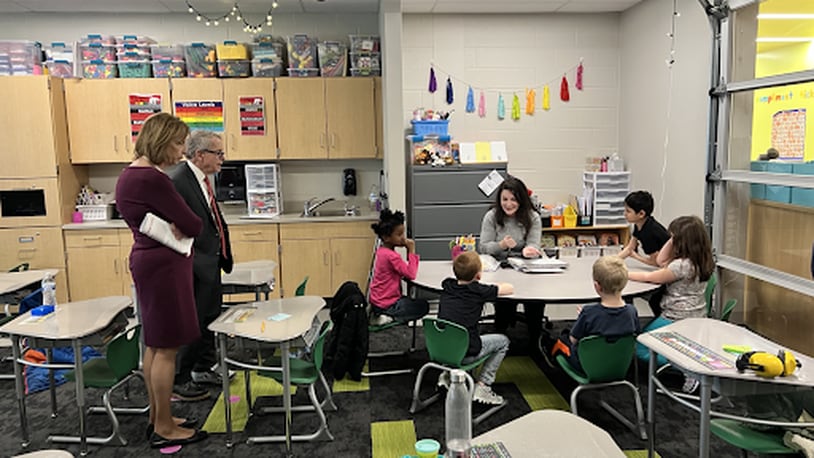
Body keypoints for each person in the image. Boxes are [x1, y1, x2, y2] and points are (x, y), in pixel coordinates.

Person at [115, 112, 208, 448]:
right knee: (167, 348)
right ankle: (165, 427)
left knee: (155, 345)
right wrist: (185, 222)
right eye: (179, 142)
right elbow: (194, 224)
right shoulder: (153, 180)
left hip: (150, 262)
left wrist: (181, 222)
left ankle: (159, 416)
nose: (182, 151)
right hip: (164, 266)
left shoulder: (129, 175)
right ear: (162, 140)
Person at [169, 130, 233, 400]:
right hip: (194, 264)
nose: (223, 158)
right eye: (218, 153)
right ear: (199, 155)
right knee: (193, 322)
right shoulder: (180, 181)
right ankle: (180, 379)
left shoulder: (202, 180)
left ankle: (202, 367)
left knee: (209, 318)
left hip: (210, 260)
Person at [628, 215, 714, 393]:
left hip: (675, 318)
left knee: (640, 346)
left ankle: (686, 366)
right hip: (697, 316)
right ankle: (686, 357)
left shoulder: (680, 266)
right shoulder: (702, 260)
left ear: (681, 241)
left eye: (673, 237)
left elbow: (650, 277)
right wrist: (674, 239)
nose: (670, 241)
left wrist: (623, 273)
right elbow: (660, 261)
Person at [438, 251, 513, 405]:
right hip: (466, 353)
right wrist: (493, 286)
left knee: (454, 327)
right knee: (503, 341)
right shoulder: (479, 291)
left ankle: (447, 373)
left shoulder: (447, 285)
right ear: (478, 276)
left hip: (441, 349)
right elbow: (509, 288)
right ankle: (483, 386)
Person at [478, 177, 544, 354]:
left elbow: (534, 244)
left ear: (521, 200)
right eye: (504, 199)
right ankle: (499, 340)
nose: (508, 204)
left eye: (513, 199)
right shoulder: (491, 216)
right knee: (503, 302)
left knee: (535, 303)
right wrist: (501, 245)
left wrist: (530, 250)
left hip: (525, 267)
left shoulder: (533, 217)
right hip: (499, 267)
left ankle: (535, 342)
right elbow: (483, 246)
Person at [543, 255, 640, 371]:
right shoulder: (631, 311)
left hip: (586, 365)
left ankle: (550, 360)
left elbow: (573, 340)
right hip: (619, 365)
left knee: (563, 338)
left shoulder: (589, 313)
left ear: (597, 286)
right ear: (624, 283)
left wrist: (583, 318)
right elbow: (635, 334)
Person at [368, 208, 429, 325]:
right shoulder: (392, 257)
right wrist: (411, 250)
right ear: (386, 237)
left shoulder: (381, 252)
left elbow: (403, 270)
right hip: (388, 303)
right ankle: (388, 318)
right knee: (423, 306)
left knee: (408, 301)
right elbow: (411, 274)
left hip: (377, 302)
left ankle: (380, 314)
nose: (403, 238)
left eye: (403, 233)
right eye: (399, 234)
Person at [618, 190, 670, 267]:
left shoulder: (649, 232)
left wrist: (636, 256)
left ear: (641, 214)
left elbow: (655, 262)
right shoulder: (639, 224)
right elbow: (630, 248)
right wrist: (613, 260)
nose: (624, 214)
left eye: (628, 211)